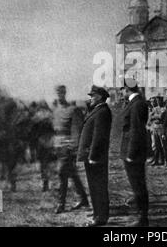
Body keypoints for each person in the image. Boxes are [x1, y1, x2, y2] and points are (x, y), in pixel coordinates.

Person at [77, 85, 112, 227]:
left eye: (92, 96)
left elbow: (99, 138)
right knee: (94, 187)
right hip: (92, 156)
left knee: (99, 187)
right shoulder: (97, 110)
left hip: (96, 157)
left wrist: (92, 156)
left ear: (99, 96)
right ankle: (97, 213)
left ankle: (101, 217)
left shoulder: (102, 111)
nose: (90, 98)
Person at [52, 85, 88, 214]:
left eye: (61, 92)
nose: (59, 95)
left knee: (61, 172)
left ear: (65, 93)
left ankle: (60, 204)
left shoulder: (73, 110)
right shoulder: (55, 110)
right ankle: (83, 199)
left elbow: (77, 130)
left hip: (68, 147)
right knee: (71, 173)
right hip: (58, 146)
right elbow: (55, 129)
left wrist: (74, 147)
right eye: (57, 93)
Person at [120, 78, 149, 227]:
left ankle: (142, 218)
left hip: (134, 152)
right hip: (131, 151)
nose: (121, 92)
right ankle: (141, 214)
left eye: (122, 89)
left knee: (138, 184)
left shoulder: (137, 104)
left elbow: (136, 130)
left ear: (127, 89)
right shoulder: (135, 103)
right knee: (136, 184)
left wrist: (131, 153)